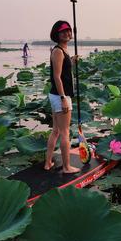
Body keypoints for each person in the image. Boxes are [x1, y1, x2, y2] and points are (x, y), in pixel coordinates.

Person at [44, 20, 81, 174]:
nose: (67, 33)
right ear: (57, 34)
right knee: (65, 132)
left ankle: (48, 163)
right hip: (61, 96)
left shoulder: (63, 51)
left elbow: (64, 71)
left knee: (56, 131)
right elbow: (57, 77)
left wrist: (71, 62)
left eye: (69, 31)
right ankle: (66, 167)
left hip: (56, 95)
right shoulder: (58, 51)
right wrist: (63, 98)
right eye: (63, 31)